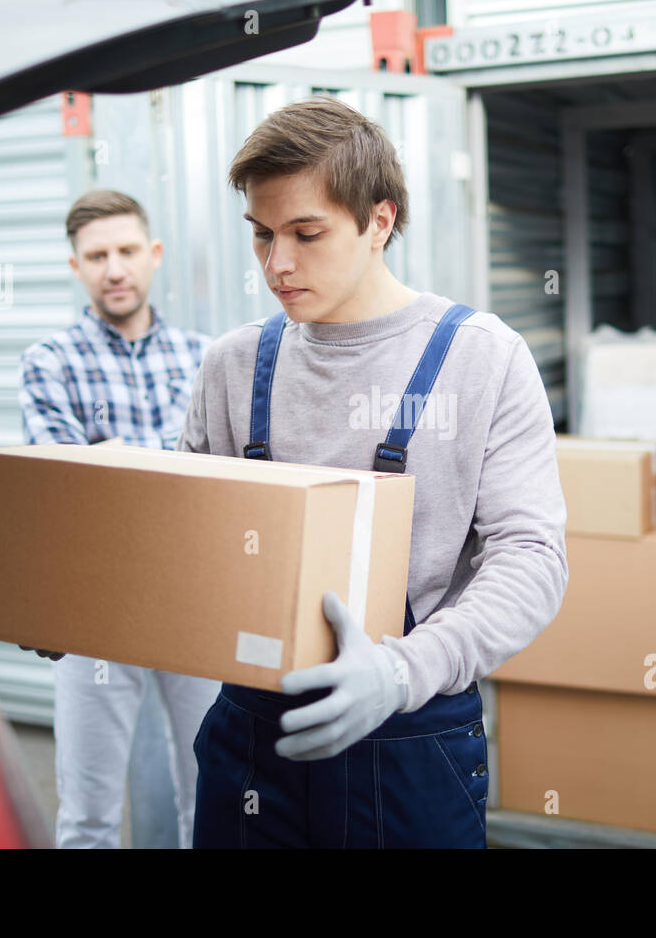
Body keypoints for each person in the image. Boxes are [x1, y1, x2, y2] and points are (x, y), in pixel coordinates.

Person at [178, 97, 568, 848]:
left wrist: (400, 672)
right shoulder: (231, 367)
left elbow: (532, 558)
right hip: (253, 743)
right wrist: (94, 602)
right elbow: (194, 543)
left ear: (379, 221)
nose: (277, 264)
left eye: (306, 233)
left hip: (410, 742)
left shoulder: (481, 358)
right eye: (261, 236)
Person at [19, 189, 220, 848]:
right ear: (75, 266)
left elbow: (218, 477)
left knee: (211, 793)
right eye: (96, 255)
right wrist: (154, 465)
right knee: (87, 812)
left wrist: (109, 459)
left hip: (193, 601)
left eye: (127, 251)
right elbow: (67, 485)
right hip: (92, 607)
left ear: (153, 255)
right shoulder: (49, 362)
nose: (114, 268)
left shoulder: (205, 357)